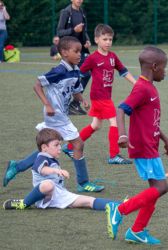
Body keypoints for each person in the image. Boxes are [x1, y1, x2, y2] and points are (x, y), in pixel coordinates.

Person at [3, 36, 104, 193]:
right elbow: (37, 85)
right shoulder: (58, 71)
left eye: (80, 51)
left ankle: (18, 166)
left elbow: (76, 90)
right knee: (78, 144)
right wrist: (47, 104)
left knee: (49, 147)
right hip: (55, 116)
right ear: (64, 53)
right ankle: (83, 183)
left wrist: (81, 99)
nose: (79, 55)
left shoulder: (76, 71)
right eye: (76, 51)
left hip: (61, 115)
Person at [105, 47, 168, 245]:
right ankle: (119, 210)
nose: (165, 72)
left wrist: (165, 139)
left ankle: (136, 231)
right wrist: (122, 135)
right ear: (154, 67)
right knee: (161, 187)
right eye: (163, 68)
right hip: (144, 147)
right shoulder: (142, 88)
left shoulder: (150, 87)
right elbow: (121, 110)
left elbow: (149, 119)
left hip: (151, 145)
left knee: (155, 189)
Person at [62, 24, 136, 165]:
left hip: (105, 97)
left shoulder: (113, 57)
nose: (108, 42)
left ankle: (70, 146)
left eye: (110, 39)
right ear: (96, 40)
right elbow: (79, 74)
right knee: (114, 121)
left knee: (95, 125)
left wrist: (136, 83)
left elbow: (123, 71)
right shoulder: (93, 58)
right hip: (99, 97)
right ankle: (114, 155)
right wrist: (71, 87)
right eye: (104, 39)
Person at [3, 128, 116, 210]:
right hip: (43, 196)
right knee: (48, 184)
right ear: (44, 147)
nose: (60, 148)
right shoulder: (41, 157)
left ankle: (122, 205)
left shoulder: (51, 157)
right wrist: (57, 171)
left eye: (60, 145)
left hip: (59, 194)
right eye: (56, 145)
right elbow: (42, 169)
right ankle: (24, 203)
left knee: (89, 200)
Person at [57, 0, 91, 115]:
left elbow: (84, 30)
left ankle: (73, 104)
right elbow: (60, 32)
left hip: (79, 49)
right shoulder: (66, 12)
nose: (80, 0)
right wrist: (73, 30)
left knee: (84, 74)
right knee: (78, 75)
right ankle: (69, 104)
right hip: (69, 49)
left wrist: (87, 40)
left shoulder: (82, 11)